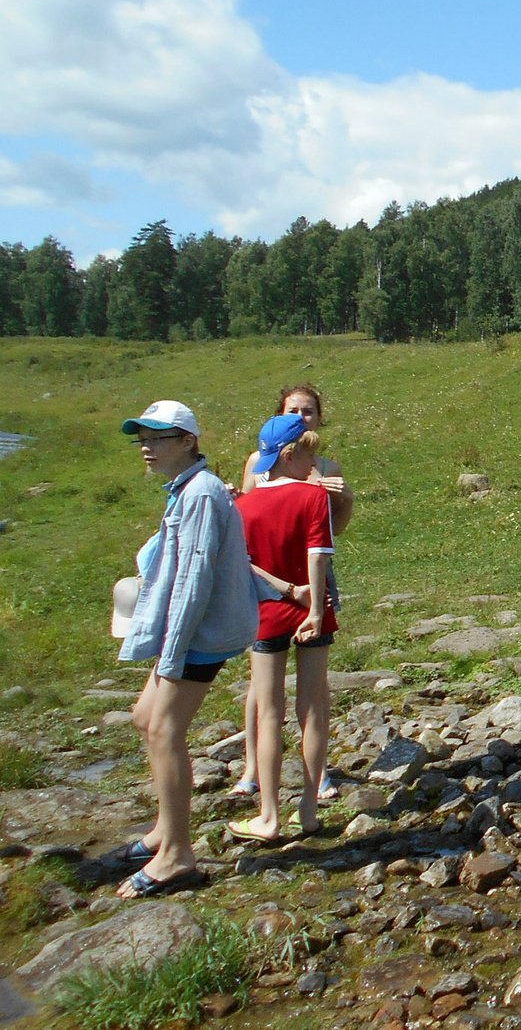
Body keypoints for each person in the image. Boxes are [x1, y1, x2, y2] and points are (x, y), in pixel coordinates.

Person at [115, 400, 258, 897]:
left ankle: (177, 856)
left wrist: (171, 651)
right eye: (143, 439)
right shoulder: (190, 489)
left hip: (199, 636)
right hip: (189, 632)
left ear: (188, 442)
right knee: (143, 717)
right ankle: (163, 830)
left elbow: (195, 578)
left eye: (158, 438)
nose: (147, 448)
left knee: (163, 727)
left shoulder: (199, 494)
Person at [233, 382, 350, 801]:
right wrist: (312, 602)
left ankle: (269, 806)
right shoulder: (303, 489)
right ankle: (304, 799)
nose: (302, 416)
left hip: (272, 590)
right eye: (294, 411)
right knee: (309, 696)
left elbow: (239, 548)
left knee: (271, 701)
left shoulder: (326, 469)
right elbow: (319, 550)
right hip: (300, 589)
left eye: (308, 410)